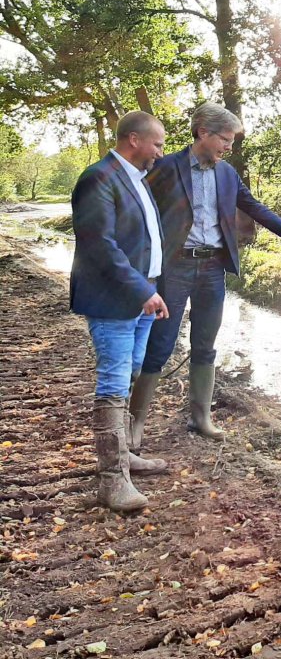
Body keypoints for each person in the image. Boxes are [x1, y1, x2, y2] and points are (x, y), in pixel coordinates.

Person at [128, 102, 281, 449]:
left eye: (232, 142)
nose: (229, 147)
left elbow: (254, 207)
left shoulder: (227, 173)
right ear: (203, 132)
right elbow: (136, 208)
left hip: (212, 270)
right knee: (159, 346)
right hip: (174, 268)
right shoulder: (166, 166)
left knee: (205, 346)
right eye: (225, 139)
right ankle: (136, 424)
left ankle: (200, 417)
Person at [71, 111, 171, 513]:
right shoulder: (98, 177)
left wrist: (154, 288)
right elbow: (99, 243)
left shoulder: (136, 179)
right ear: (134, 140)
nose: (161, 153)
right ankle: (112, 481)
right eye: (158, 144)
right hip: (116, 299)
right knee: (112, 382)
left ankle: (124, 456)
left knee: (128, 371)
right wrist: (141, 289)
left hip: (144, 296)